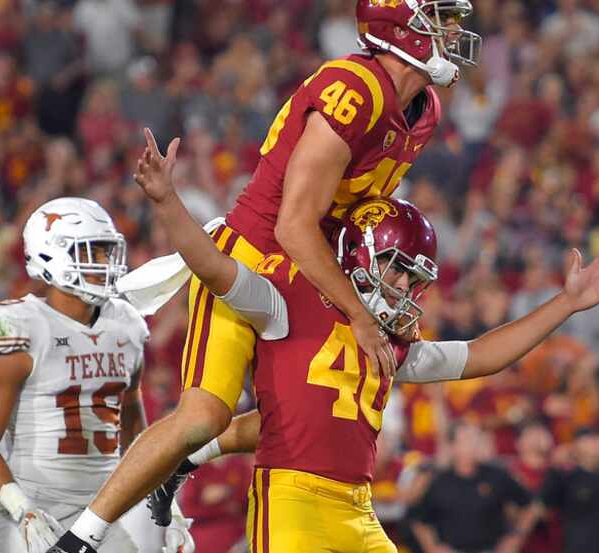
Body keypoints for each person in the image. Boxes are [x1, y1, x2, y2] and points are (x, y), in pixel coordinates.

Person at [51, 129, 599, 553]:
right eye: (397, 269)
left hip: (359, 507)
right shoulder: (293, 301)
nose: (405, 287)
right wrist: (167, 203)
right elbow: (214, 266)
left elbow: (479, 357)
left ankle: (191, 459)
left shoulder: (391, 342)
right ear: (361, 255)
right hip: (293, 498)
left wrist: (566, 304)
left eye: (415, 277)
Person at [53, 1, 482, 539]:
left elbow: (350, 219)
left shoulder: (425, 109)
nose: (452, 31)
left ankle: (187, 462)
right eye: (439, 18)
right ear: (402, 26)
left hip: (316, 267)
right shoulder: (356, 88)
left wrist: (381, 292)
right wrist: (359, 312)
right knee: (203, 414)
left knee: (320, 411)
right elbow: (293, 226)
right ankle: (82, 536)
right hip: (257, 255)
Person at [0, 197, 192, 553]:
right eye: (93, 252)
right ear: (50, 255)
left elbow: (134, 436)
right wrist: (23, 511)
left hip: (103, 512)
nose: (106, 263)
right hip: (38, 511)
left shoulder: (125, 324)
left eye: (106, 252)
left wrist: (169, 510)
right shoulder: (19, 326)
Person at [410, 423, 535, 553]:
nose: (474, 444)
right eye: (467, 439)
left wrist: (515, 538)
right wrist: (432, 547)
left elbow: (530, 506)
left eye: (477, 439)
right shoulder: (438, 480)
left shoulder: (497, 475)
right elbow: (418, 518)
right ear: (453, 446)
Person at [536, 426, 599, 553]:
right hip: (577, 547)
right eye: (589, 440)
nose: (595, 444)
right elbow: (542, 508)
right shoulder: (564, 477)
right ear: (576, 445)